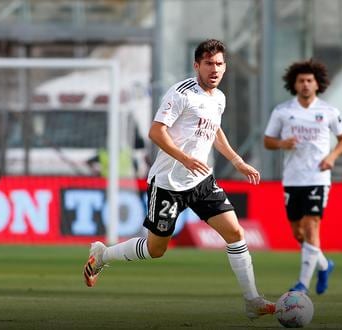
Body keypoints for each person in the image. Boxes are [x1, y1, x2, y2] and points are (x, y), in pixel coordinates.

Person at [82, 39, 276, 320]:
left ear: (225, 67)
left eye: (219, 64)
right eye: (208, 63)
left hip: (202, 181)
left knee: (235, 233)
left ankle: (252, 300)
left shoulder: (218, 97)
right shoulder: (182, 93)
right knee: (155, 249)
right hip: (168, 185)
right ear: (197, 65)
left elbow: (215, 130)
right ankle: (102, 256)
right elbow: (156, 132)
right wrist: (184, 158)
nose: (214, 69)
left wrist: (237, 161)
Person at [263, 59, 342, 295]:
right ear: (294, 83)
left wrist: (332, 157)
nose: (305, 84)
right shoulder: (282, 111)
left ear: (317, 84)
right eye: (301, 80)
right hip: (292, 178)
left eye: (309, 80)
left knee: (312, 226)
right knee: (297, 232)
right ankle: (324, 264)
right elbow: (268, 141)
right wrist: (282, 142)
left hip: (318, 177)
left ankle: (302, 284)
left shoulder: (329, 111)